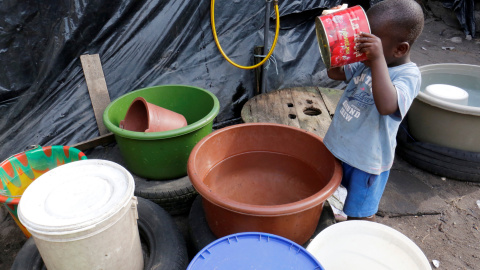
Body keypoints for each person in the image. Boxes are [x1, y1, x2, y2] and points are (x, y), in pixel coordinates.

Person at [324, 0, 425, 221]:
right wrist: (333, 34)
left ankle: (358, 236)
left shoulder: (408, 75)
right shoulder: (365, 61)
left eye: (371, 41)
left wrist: (377, 59)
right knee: (328, 197)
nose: (362, 46)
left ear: (400, 49)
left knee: (359, 214)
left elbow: (387, 105)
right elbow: (335, 73)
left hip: (367, 162)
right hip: (337, 148)